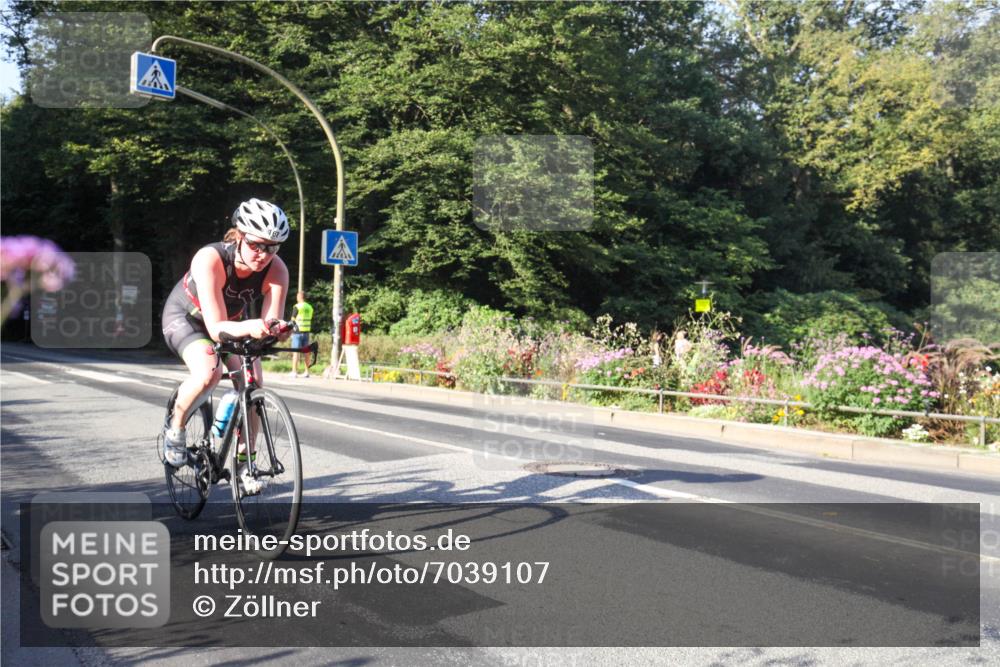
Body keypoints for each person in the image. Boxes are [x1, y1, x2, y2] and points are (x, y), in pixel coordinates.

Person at [160, 198, 291, 494]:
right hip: (187, 319)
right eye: (257, 244)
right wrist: (253, 325)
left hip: (232, 323)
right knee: (209, 372)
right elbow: (216, 329)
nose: (263, 254)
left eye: (272, 247)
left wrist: (277, 329)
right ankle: (176, 428)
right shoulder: (211, 259)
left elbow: (270, 322)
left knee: (253, 381)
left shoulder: (277, 270)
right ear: (240, 235)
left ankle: (246, 463)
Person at [288, 291, 314, 378]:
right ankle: (307, 372)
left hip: (297, 332)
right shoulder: (310, 307)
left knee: (296, 352)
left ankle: (294, 372)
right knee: (306, 352)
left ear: (299, 297)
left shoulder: (297, 306)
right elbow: (309, 318)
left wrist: (290, 331)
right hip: (306, 331)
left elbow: (292, 320)